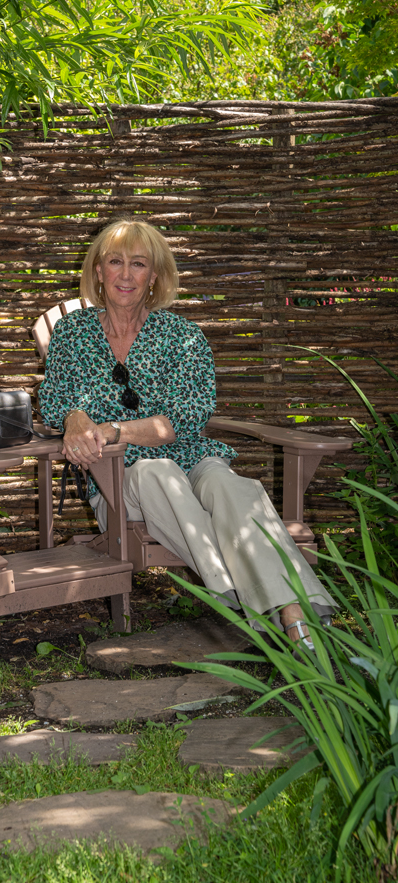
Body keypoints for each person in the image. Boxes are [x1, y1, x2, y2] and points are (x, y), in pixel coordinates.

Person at [38, 217, 335, 647]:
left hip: (193, 459)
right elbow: (55, 399)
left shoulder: (182, 336)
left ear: (154, 275)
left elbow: (184, 418)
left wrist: (113, 428)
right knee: (156, 472)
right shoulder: (71, 333)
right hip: (119, 480)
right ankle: (266, 604)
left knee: (232, 488)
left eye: (138, 264)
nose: (125, 275)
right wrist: (74, 419)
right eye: (115, 262)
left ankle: (294, 616)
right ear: (98, 270)